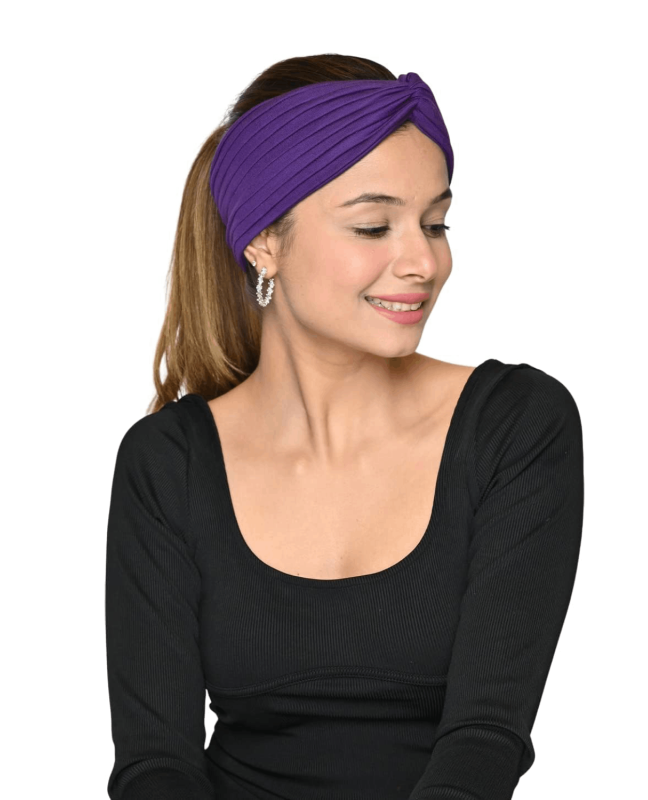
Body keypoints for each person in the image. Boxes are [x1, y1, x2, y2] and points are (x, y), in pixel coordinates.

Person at [104, 53, 584, 800]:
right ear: (263, 240)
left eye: (435, 223)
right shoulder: (169, 462)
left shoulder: (515, 426)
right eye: (372, 226)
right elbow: (155, 766)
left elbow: (483, 743)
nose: (423, 261)